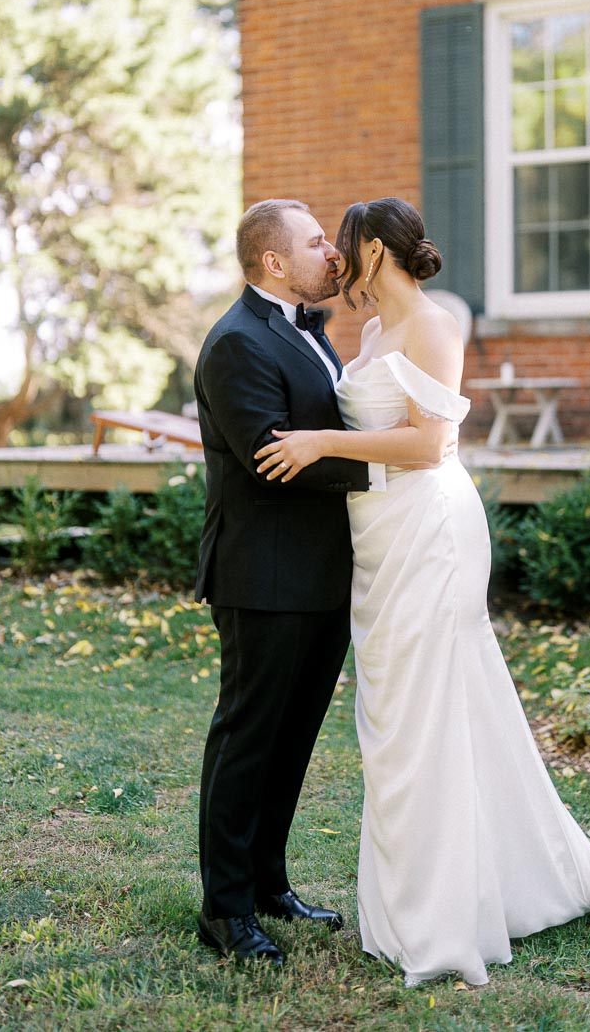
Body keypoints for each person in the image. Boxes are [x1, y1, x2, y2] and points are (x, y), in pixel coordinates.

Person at [255, 197, 590, 988]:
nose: (333, 256)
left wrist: (324, 440)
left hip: (431, 529)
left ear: (373, 253)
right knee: (394, 716)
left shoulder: (435, 327)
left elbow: (431, 444)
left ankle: (445, 919)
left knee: (432, 711)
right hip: (377, 537)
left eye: (343, 243)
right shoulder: (363, 333)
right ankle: (426, 899)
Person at [193, 198, 378, 967]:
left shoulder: (312, 331)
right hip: (262, 575)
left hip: (323, 575)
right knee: (248, 739)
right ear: (274, 262)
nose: (330, 254)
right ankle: (225, 910)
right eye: (314, 244)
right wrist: (397, 460)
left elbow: (316, 437)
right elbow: (274, 458)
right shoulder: (236, 343)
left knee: (293, 739)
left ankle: (269, 883)